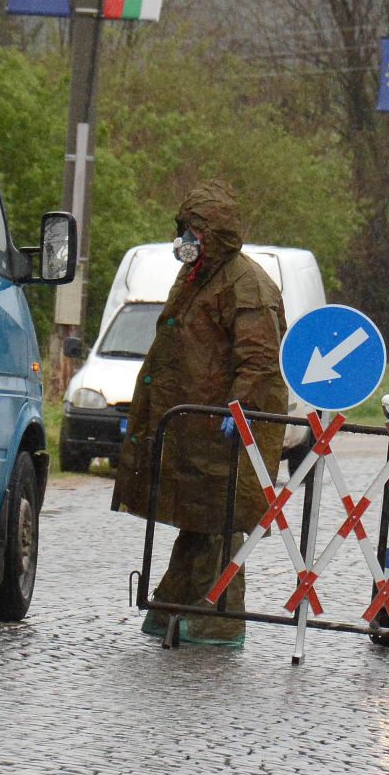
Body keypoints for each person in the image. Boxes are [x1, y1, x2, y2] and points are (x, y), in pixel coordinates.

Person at [113, 180, 287, 646]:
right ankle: (174, 603)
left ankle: (219, 619)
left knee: (223, 520)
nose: (185, 241)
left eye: (194, 232)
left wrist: (242, 408)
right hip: (193, 423)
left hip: (224, 428)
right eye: (183, 230)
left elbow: (259, 357)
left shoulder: (247, 283)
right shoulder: (197, 278)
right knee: (197, 517)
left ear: (214, 234)